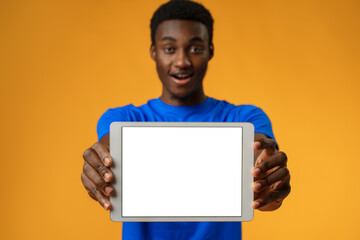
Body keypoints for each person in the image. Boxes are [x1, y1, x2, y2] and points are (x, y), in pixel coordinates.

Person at [81, 0, 291, 239]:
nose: (182, 61)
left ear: (210, 51)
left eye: (195, 48)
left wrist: (266, 178)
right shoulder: (123, 118)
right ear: (154, 51)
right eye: (169, 49)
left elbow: (261, 154)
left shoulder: (244, 117)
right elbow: (108, 149)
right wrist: (100, 170)